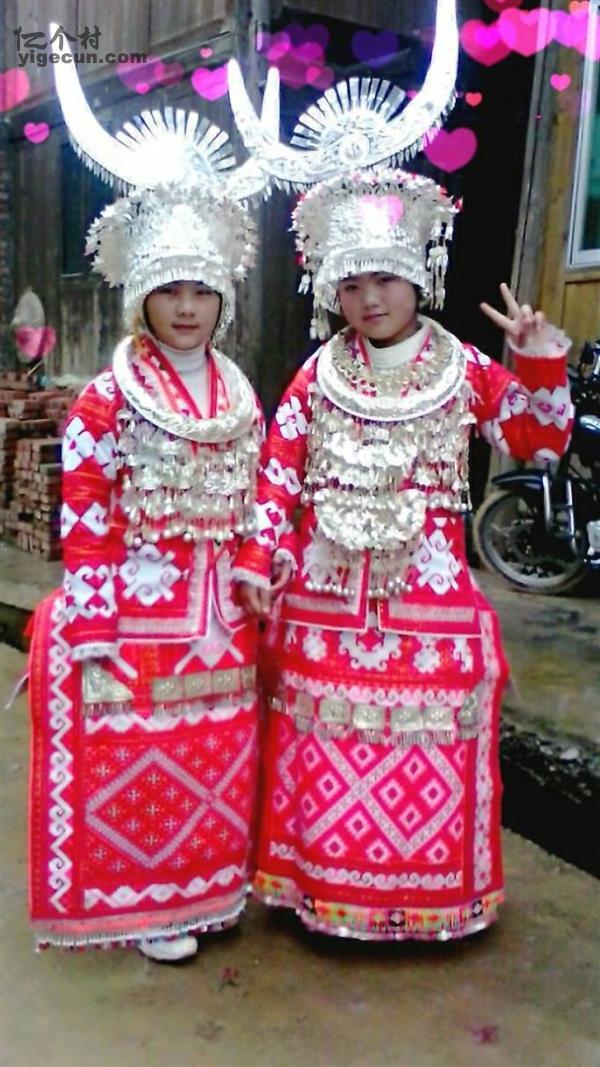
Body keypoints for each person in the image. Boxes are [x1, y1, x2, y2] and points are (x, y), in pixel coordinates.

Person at [229, 6, 574, 940]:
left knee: (434, 737)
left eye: (383, 278)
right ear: (331, 289)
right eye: (351, 283)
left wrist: (540, 362)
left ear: (419, 275)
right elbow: (278, 475)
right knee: (325, 750)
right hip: (326, 603)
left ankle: (425, 903)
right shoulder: (317, 375)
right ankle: (326, 893)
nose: (369, 297)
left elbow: (537, 443)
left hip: (429, 599)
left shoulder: (464, 368)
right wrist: (261, 559)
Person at [27, 51, 269, 960]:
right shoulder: (107, 397)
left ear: (224, 298)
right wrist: (93, 618)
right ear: (141, 295)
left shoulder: (239, 390)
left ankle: (209, 891)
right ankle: (152, 904)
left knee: (218, 754)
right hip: (139, 612)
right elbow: (85, 506)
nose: (186, 308)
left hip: (223, 612)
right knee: (143, 757)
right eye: (169, 290)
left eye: (202, 290)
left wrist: (259, 564)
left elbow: (256, 494)